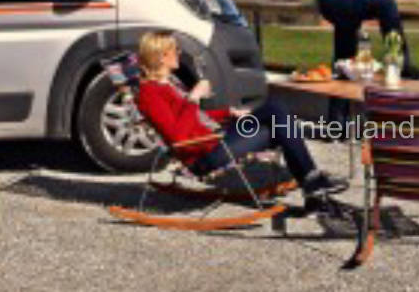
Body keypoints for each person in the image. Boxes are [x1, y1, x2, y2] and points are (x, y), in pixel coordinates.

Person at [134, 30, 347, 204]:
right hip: (204, 153)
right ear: (162, 56)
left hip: (215, 138)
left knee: (276, 110)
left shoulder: (167, 84)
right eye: (175, 50)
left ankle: (312, 187)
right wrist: (194, 97)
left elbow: (195, 117)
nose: (179, 54)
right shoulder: (149, 94)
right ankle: (312, 185)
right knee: (280, 127)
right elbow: (180, 138)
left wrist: (227, 113)